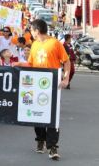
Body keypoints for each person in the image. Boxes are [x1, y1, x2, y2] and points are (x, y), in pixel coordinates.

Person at [15, 19, 70, 161]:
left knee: (52, 116)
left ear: (36, 31)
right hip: (36, 85)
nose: (30, 33)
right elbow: (31, 63)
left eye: (31, 30)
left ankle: (52, 147)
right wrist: (20, 64)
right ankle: (40, 139)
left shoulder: (55, 43)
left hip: (52, 85)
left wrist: (65, 78)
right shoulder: (34, 45)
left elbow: (66, 61)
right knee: (36, 114)